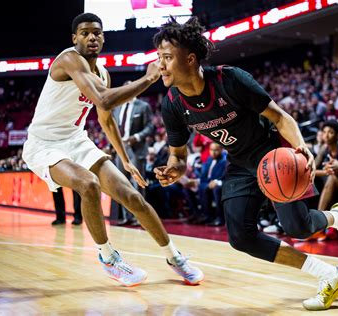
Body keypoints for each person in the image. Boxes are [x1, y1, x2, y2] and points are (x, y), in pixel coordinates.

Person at [152, 17, 338, 311]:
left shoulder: (229, 79)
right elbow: (179, 155)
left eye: (167, 58)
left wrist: (301, 147)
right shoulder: (171, 103)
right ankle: (329, 274)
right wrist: (175, 168)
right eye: (159, 58)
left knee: (298, 227)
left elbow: (280, 117)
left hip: (274, 153)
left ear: (190, 58)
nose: (161, 65)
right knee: (241, 237)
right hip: (239, 162)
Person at [22, 13, 203, 287]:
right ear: (75, 39)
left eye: (96, 32)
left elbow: (105, 117)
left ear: (104, 37)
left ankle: (174, 257)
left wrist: (126, 159)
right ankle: (108, 257)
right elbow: (103, 98)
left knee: (133, 196)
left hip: (76, 140)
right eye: (84, 33)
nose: (91, 37)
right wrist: (148, 79)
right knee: (88, 184)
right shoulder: (69, 59)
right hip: (44, 144)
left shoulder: (102, 73)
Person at [112, 80, 154, 226]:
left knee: (138, 184)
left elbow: (150, 127)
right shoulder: (117, 107)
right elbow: (112, 128)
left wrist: (136, 137)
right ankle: (126, 216)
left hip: (136, 149)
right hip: (121, 148)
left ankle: (140, 217)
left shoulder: (143, 106)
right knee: (122, 184)